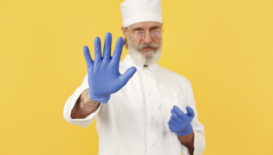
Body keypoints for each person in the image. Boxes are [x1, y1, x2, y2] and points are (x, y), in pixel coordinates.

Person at [63, 0, 205, 155]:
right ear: (125, 32)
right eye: (138, 31)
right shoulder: (106, 77)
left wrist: (186, 133)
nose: (149, 39)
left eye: (155, 29)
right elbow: (74, 115)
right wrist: (92, 96)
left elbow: (196, 147)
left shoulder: (180, 83)